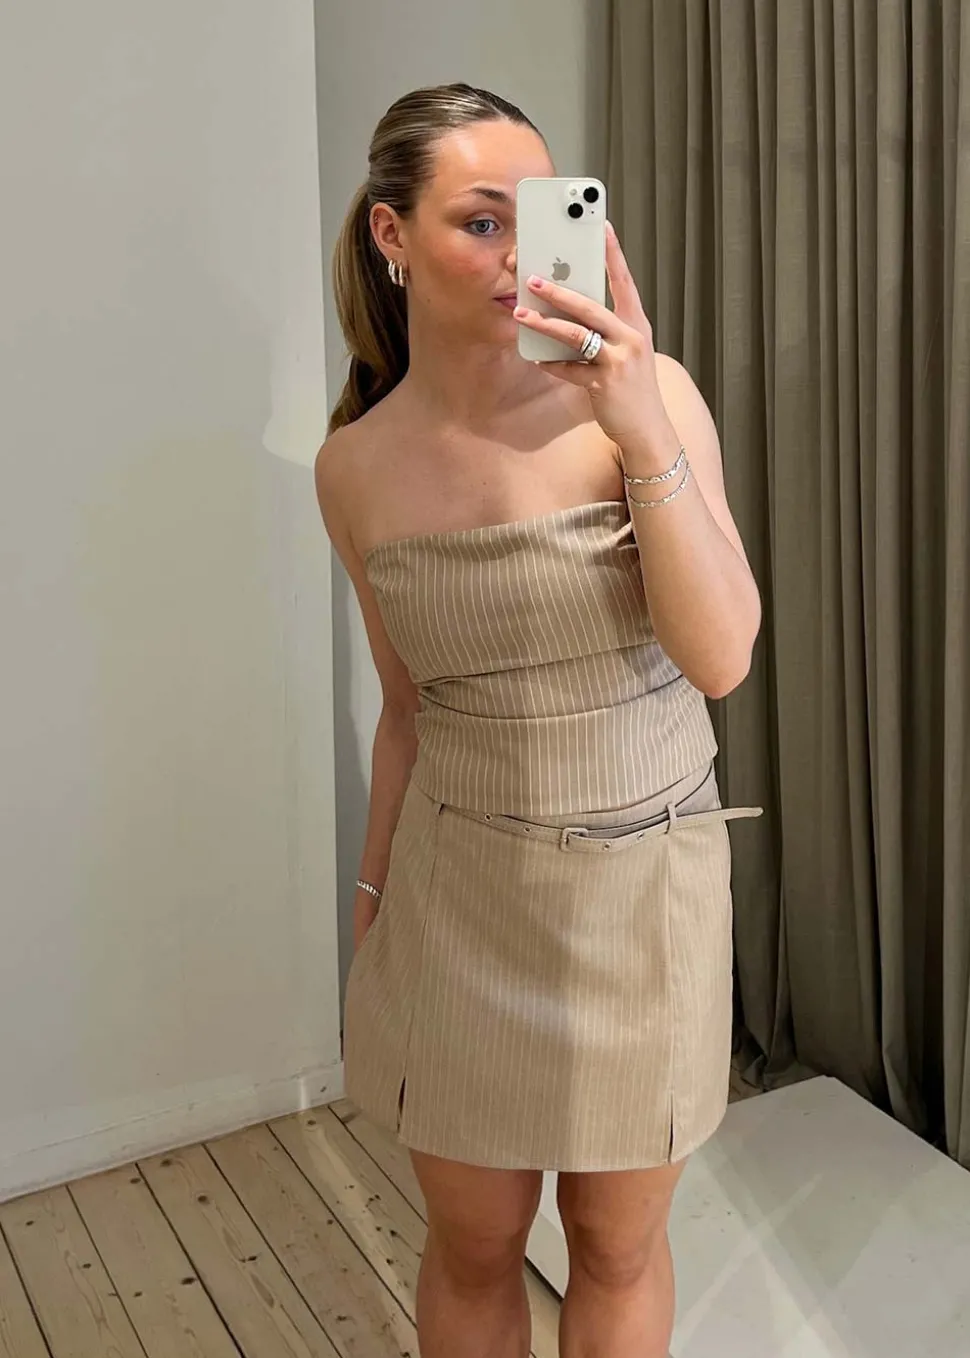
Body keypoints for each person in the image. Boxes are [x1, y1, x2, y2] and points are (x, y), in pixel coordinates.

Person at [315, 82, 762, 1358]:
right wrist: (371, 896)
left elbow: (721, 657)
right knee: (471, 1245)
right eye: (480, 222)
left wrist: (639, 425)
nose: (522, 252)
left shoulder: (647, 395)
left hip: (646, 898)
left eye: (545, 212)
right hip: (458, 900)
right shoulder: (355, 466)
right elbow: (407, 711)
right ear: (392, 235)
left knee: (615, 1245)